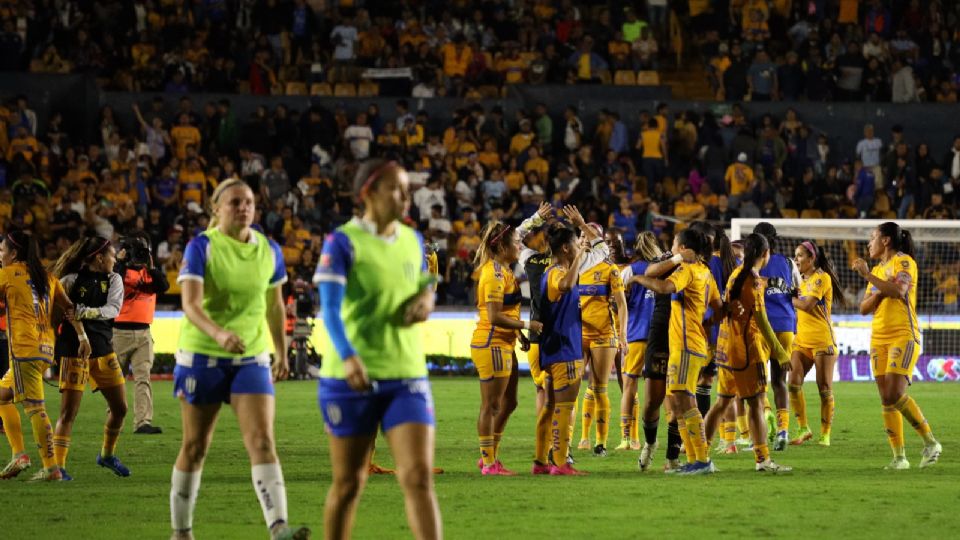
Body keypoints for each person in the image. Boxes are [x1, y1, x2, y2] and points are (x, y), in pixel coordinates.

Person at [169, 178, 307, 540]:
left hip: (251, 358)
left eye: (248, 202)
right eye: (234, 202)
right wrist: (219, 334)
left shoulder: (270, 249)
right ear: (217, 208)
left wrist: (281, 348)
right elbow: (191, 305)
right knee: (196, 446)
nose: (243, 208)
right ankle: (181, 531)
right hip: (203, 355)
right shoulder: (202, 247)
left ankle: (278, 527)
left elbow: (275, 305)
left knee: (262, 440)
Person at [315, 159, 441, 539]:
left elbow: (423, 286)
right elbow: (330, 310)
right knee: (350, 483)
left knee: (418, 478)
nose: (405, 198)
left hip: (406, 375)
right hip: (351, 377)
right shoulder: (342, 242)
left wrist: (426, 302)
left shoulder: (412, 239)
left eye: (407, 190)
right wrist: (349, 356)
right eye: (395, 189)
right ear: (367, 192)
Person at [851, 222, 941, 470]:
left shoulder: (904, 262)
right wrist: (879, 287)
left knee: (894, 393)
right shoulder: (880, 270)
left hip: (903, 333)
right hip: (878, 337)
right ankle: (899, 458)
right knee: (885, 398)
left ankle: (931, 442)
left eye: (873, 238)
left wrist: (868, 276)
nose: (870, 243)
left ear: (886, 240)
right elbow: (863, 308)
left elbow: (899, 290)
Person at [633, 229, 722, 475]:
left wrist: (639, 280)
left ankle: (703, 460)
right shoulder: (707, 272)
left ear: (682, 247)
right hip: (688, 343)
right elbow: (720, 308)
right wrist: (703, 322)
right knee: (680, 403)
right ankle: (693, 460)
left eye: (674, 243)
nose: (671, 246)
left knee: (686, 400)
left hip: (685, 344)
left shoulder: (689, 270)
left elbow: (665, 287)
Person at [0, 230, 86, 481]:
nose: (0, 255)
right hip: (45, 349)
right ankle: (19, 455)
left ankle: (51, 468)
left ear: (14, 253)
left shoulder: (8, 275)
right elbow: (69, 308)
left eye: (2, 251)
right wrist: (83, 337)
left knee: (35, 409)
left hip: (24, 351)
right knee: (2, 398)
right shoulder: (47, 278)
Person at [703, 233, 793, 472]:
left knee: (722, 403)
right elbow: (762, 321)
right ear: (766, 254)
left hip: (726, 348)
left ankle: (700, 455)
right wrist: (780, 351)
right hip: (745, 350)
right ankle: (763, 460)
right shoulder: (752, 281)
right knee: (755, 404)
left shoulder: (735, 274)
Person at [51, 235, 130, 480]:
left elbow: (113, 310)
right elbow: (54, 318)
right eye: (112, 255)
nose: (115, 260)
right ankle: (58, 467)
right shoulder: (70, 281)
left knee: (120, 408)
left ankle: (106, 455)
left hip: (103, 350)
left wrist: (84, 311)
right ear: (99, 257)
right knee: (68, 413)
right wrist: (52, 349)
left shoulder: (114, 279)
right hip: (73, 352)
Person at [471, 218, 541, 476]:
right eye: (516, 242)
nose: (520, 245)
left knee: (509, 402)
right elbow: (493, 315)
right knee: (491, 405)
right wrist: (526, 325)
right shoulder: (494, 274)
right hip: (491, 343)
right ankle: (489, 463)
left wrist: (518, 333)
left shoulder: (505, 270)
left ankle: (490, 456)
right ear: (502, 248)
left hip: (504, 342)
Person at [537, 223, 587, 475]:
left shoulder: (553, 272)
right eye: (576, 245)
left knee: (552, 406)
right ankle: (559, 463)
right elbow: (566, 286)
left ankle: (541, 462)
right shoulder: (557, 272)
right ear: (566, 248)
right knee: (564, 407)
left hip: (557, 348)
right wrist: (579, 258)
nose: (580, 249)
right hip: (564, 350)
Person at [789, 240, 844, 447]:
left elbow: (807, 305)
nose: (796, 259)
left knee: (824, 388)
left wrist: (786, 297)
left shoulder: (822, 278)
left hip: (823, 341)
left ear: (812, 258)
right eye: (795, 255)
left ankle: (825, 434)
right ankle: (803, 428)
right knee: (793, 383)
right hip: (801, 340)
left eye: (800, 255)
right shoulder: (797, 280)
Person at [113, 234, 169, 435]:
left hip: (144, 332)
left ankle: (142, 422)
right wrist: (119, 261)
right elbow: (114, 282)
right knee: (115, 381)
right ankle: (113, 420)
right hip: (120, 332)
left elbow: (164, 286)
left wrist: (152, 265)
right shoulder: (120, 271)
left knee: (143, 378)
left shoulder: (150, 274)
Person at [753, 222, 799, 451]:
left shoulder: (753, 264)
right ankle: (783, 431)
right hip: (787, 326)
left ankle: (767, 416)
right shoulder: (790, 263)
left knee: (758, 382)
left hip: (763, 326)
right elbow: (798, 292)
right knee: (780, 381)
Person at [617, 232, 660, 459]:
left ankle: (627, 438)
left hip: (634, 335)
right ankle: (668, 437)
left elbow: (619, 303)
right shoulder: (663, 269)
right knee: (663, 387)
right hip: (658, 336)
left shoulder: (629, 272)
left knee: (629, 386)